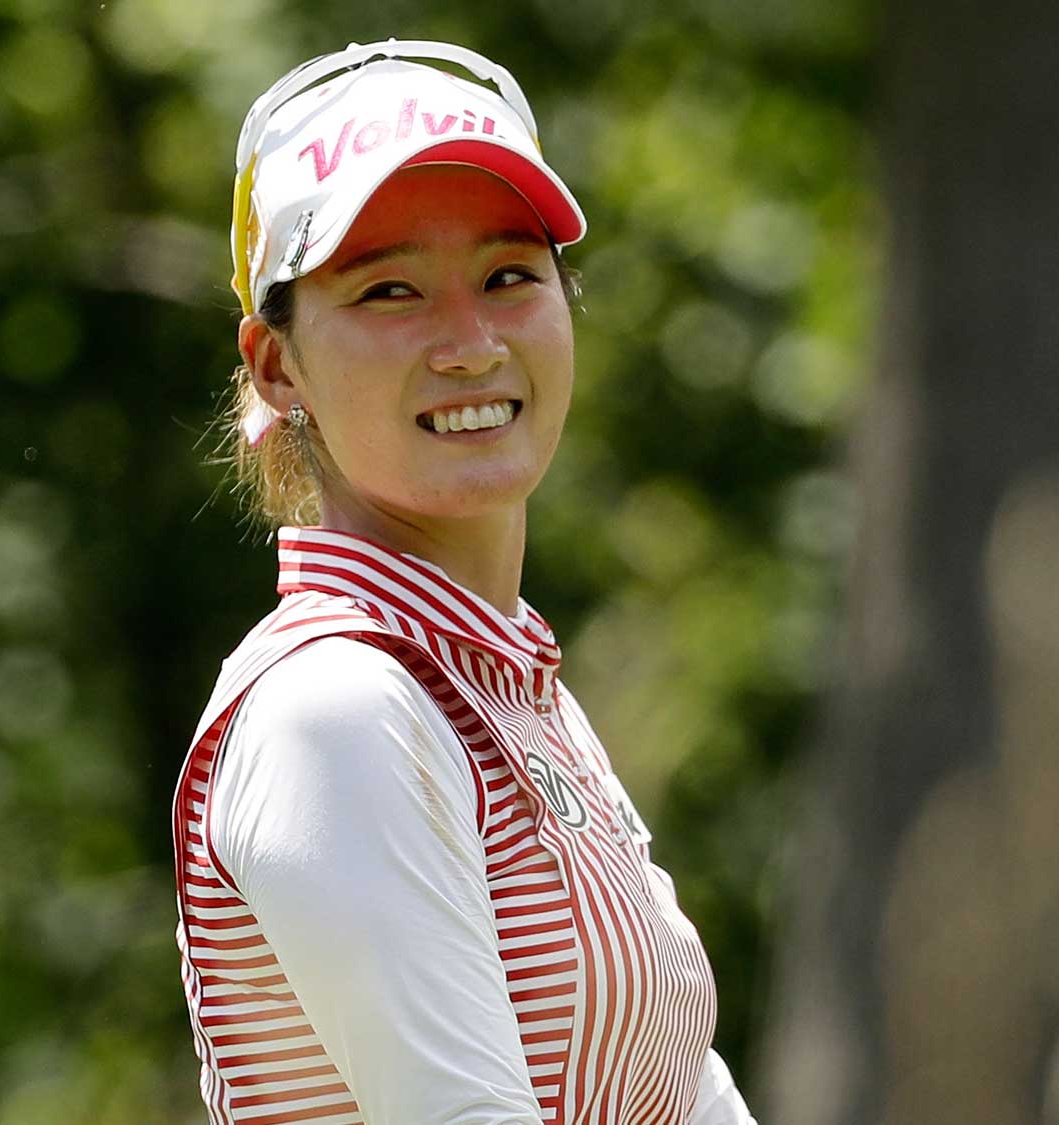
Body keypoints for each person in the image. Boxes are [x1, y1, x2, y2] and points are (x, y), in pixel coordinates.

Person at [174, 40, 758, 1125]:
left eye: (507, 277)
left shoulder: (497, 684)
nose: (469, 343)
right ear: (274, 363)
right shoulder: (336, 710)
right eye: (388, 290)